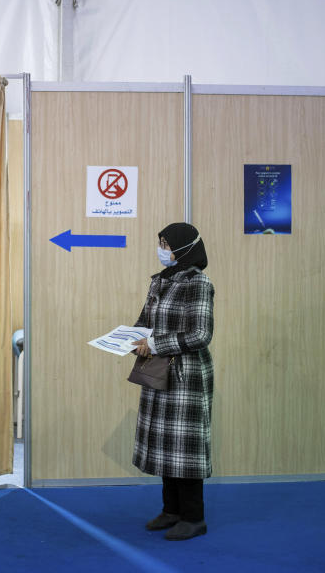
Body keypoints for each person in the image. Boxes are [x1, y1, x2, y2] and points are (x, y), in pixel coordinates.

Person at [130, 222, 214, 541]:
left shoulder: (198, 283)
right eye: (161, 242)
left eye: (167, 244)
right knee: (165, 444)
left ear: (184, 248)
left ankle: (194, 518)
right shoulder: (159, 281)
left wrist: (154, 345)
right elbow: (145, 322)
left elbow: (200, 334)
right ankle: (171, 510)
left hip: (186, 377)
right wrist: (128, 338)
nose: (162, 249)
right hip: (158, 369)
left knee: (184, 447)